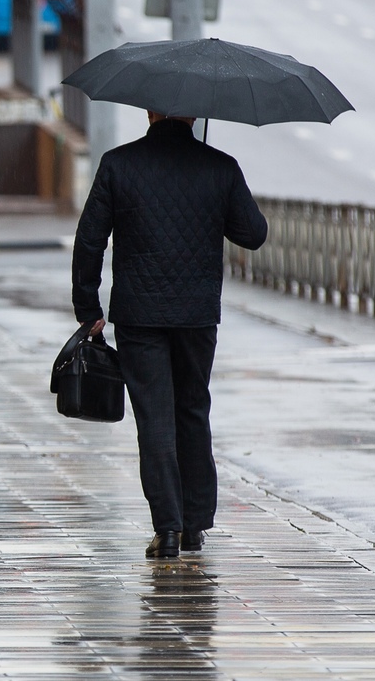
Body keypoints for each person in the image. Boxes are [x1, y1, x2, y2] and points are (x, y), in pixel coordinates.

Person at [71, 111, 268, 559]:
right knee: (193, 410)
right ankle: (196, 523)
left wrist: (88, 308)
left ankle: (169, 529)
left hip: (139, 315)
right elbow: (253, 234)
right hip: (198, 316)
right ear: (195, 115)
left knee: (154, 418)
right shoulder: (219, 166)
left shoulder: (119, 164)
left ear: (150, 113)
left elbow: (89, 240)